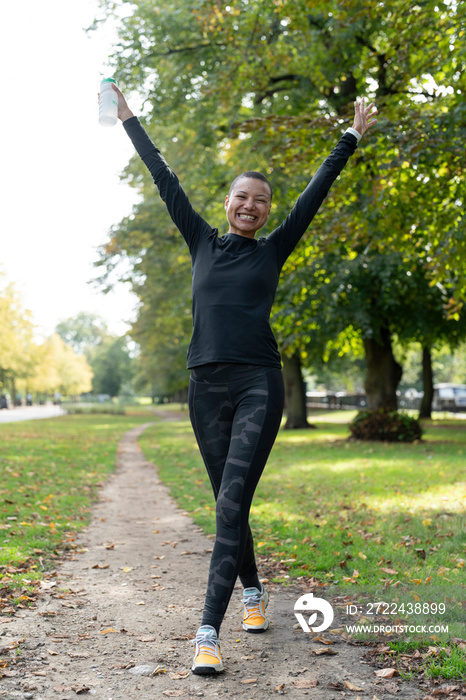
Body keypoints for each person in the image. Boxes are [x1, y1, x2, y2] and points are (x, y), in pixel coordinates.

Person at [109, 84, 377, 675]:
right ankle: (254, 592)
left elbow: (316, 191)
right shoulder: (200, 240)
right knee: (229, 504)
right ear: (227, 201)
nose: (250, 205)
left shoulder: (274, 249)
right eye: (241, 197)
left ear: (266, 208)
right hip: (204, 387)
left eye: (260, 199)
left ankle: (207, 632)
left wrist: (350, 137)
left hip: (259, 383)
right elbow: (163, 177)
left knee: (231, 503)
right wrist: (129, 118)